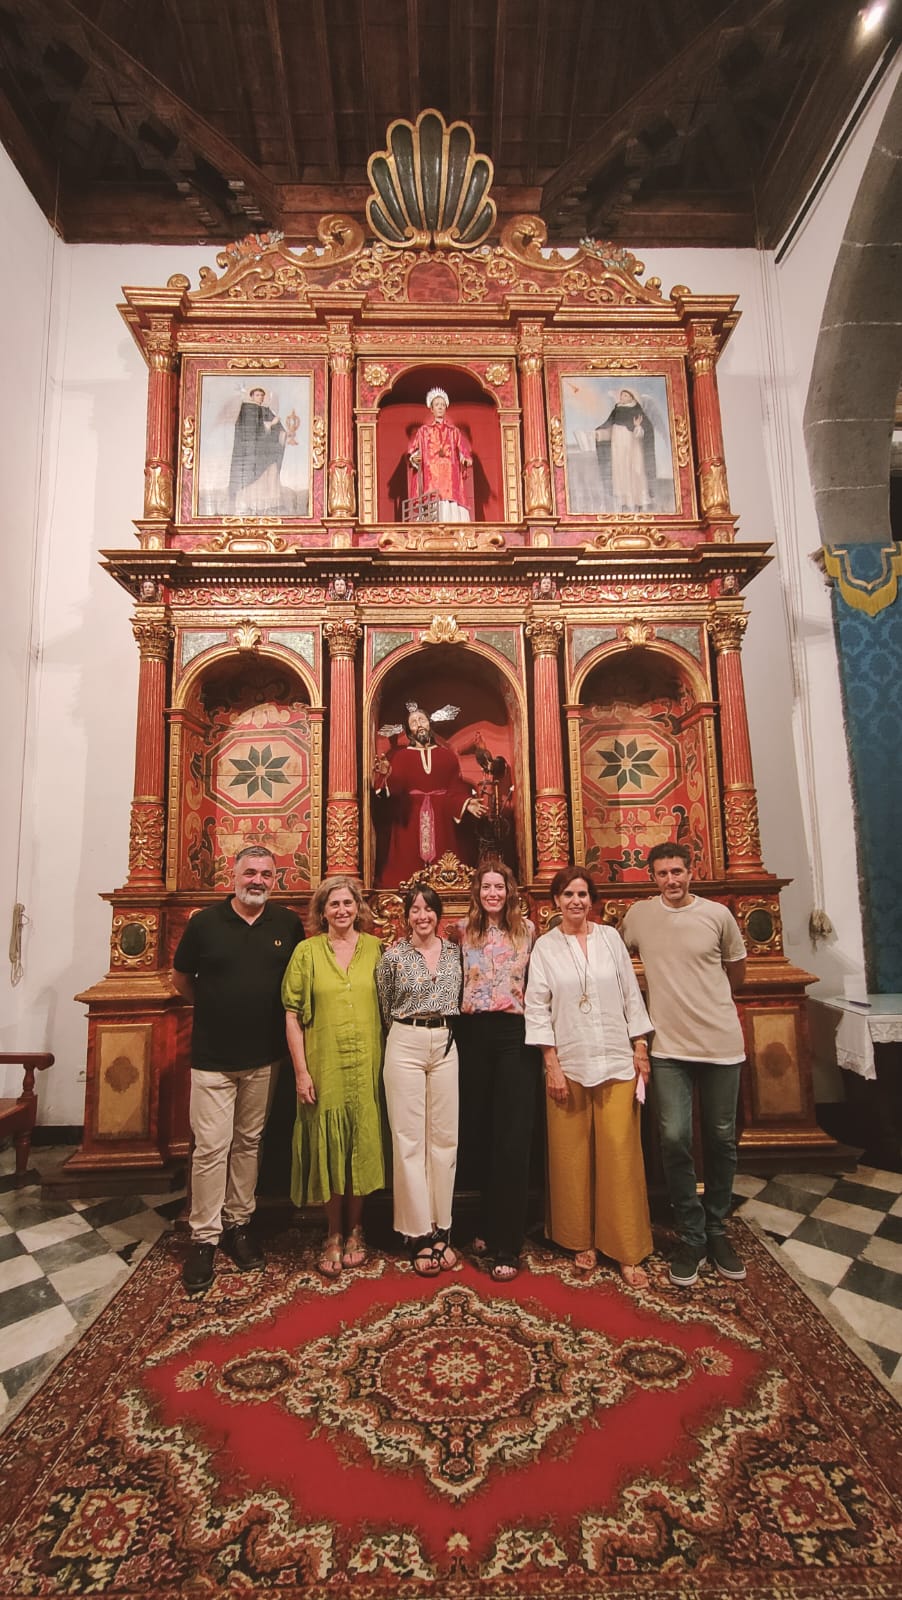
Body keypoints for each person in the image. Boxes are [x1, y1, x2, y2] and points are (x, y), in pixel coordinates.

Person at [172, 845, 305, 1294]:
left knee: (249, 1143)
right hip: (213, 1059)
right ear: (233, 875)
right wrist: (213, 1009)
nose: (257, 880)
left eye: (266, 874)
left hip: (264, 1058)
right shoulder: (204, 924)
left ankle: (239, 1224)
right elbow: (182, 980)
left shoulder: (286, 924)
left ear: (275, 879)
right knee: (211, 1147)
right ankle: (205, 1238)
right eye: (250, 872)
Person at [621, 841, 748, 1287]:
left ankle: (716, 1228)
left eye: (677, 872)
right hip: (669, 1047)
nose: (671, 881)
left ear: (691, 872)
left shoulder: (718, 916)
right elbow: (620, 961)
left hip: (720, 1044)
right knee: (673, 1137)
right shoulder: (639, 916)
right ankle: (691, 1233)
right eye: (662, 874)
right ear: (652, 877)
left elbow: (737, 972)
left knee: (720, 1137)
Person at [524, 865, 653, 1287]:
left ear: (591, 900)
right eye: (568, 895)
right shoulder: (545, 946)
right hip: (570, 1062)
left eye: (582, 894)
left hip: (616, 1056)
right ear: (556, 902)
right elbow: (537, 1006)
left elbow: (631, 995)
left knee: (619, 1152)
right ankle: (580, 1238)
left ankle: (627, 1247)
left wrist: (640, 1047)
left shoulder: (610, 939)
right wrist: (552, 1064)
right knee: (571, 1154)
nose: (576, 902)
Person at [281, 876, 385, 1278]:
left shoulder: (377, 949)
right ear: (321, 912)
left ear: (359, 907)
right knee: (330, 1144)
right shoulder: (306, 953)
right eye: (333, 905)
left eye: (348, 903)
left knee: (359, 1142)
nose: (342, 910)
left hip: (367, 1065)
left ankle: (357, 1228)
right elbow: (291, 1015)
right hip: (323, 1066)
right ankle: (333, 1231)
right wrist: (301, 1071)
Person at [452, 861, 539, 1281]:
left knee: (513, 1136)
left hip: (514, 1035)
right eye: (485, 886)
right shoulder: (462, 932)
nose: (492, 893)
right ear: (477, 891)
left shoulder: (528, 932)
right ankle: (485, 1225)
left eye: (499, 886)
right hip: (473, 1035)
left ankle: (508, 1242)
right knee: (481, 1132)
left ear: (509, 891)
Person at [376, 884, 463, 1277]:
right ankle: (417, 1232)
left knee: (444, 1137)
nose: (422, 916)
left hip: (444, 1041)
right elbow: (384, 1004)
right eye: (415, 909)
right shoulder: (392, 956)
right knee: (409, 1138)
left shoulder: (455, 954)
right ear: (405, 916)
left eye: (429, 909)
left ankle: (442, 1225)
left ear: (438, 914)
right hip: (405, 1039)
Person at [372, 702, 487, 887]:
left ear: (429, 724)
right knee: (407, 862)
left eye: (422, 720)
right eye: (413, 722)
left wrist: (466, 803)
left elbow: (455, 788)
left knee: (446, 858)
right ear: (409, 730)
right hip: (411, 817)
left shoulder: (447, 756)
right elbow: (396, 789)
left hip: (441, 816)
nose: (419, 724)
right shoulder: (401, 756)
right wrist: (387, 774)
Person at [408, 387, 474, 521]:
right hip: (431, 473)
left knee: (450, 496)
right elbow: (414, 451)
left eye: (442, 405)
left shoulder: (453, 431)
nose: (440, 407)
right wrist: (415, 458)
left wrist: (465, 459)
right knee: (433, 496)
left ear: (446, 408)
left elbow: (462, 450)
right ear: (431, 409)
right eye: (437, 404)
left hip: (450, 473)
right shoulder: (424, 431)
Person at [595, 388, 656, 512]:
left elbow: (645, 430)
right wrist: (599, 434)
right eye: (622, 395)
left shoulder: (636, 410)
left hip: (631, 446)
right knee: (620, 470)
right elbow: (609, 426)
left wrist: (638, 426)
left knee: (633, 470)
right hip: (617, 445)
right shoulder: (617, 409)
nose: (622, 397)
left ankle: (638, 502)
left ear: (632, 397)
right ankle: (623, 502)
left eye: (626, 395)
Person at [229, 386, 287, 514]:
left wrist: (279, 430)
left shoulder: (266, 410)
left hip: (266, 451)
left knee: (269, 473)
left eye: (262, 395)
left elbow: (279, 431)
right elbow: (250, 430)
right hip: (252, 453)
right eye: (257, 395)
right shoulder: (247, 409)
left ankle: (266, 506)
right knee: (252, 476)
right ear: (252, 396)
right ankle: (249, 505)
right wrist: (271, 424)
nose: (260, 397)